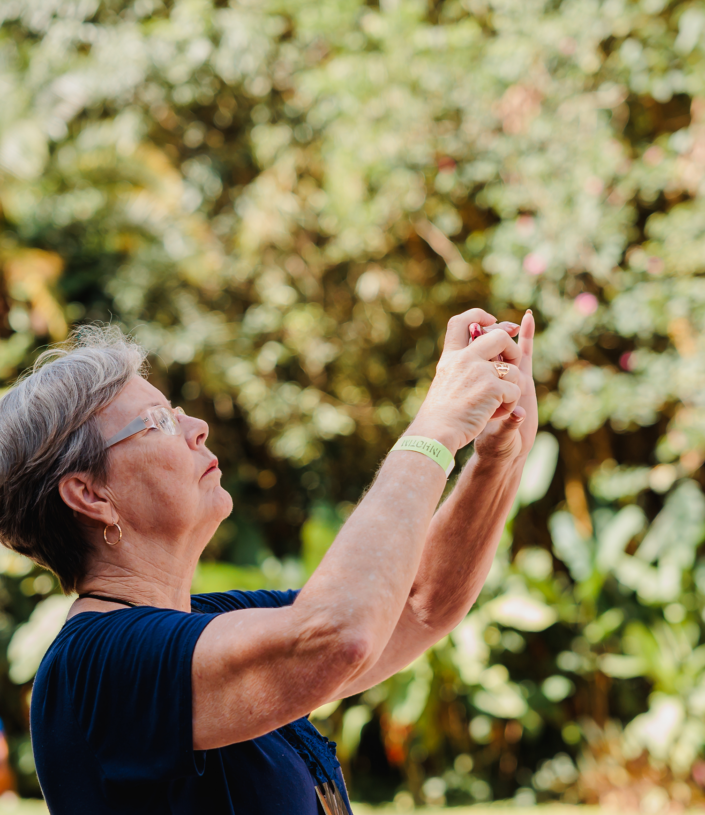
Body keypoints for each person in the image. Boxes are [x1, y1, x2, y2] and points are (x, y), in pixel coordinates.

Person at [0, 307, 537, 815]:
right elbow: (335, 634)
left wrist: (499, 457)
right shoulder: (96, 666)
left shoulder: (209, 621)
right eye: (158, 421)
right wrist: (435, 427)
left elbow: (416, 604)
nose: (197, 427)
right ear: (91, 495)